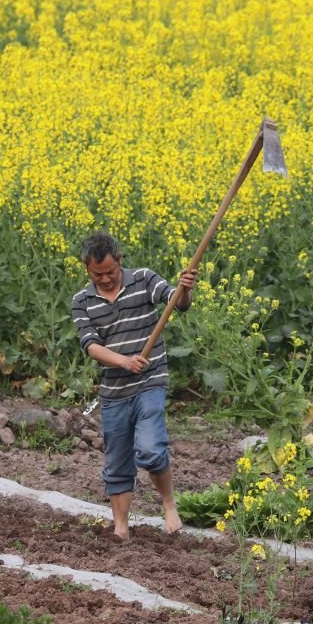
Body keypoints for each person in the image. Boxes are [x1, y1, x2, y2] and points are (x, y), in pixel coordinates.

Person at [71, 231, 197, 539]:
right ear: (87, 269)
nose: (105, 279)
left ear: (121, 262)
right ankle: (121, 530)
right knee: (117, 461)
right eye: (97, 274)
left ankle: (168, 503)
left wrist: (185, 289)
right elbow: (90, 346)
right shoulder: (82, 302)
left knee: (151, 449)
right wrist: (124, 361)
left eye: (111, 272)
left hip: (150, 382)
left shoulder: (143, 279)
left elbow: (176, 304)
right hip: (113, 393)